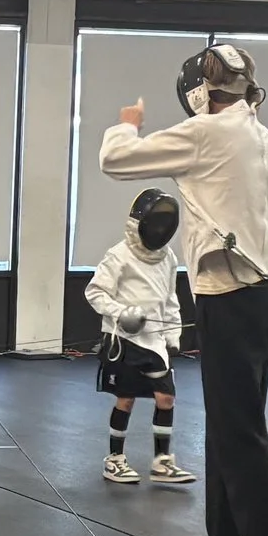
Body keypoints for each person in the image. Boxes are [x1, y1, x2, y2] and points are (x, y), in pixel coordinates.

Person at [100, 43, 268, 536]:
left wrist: (126, 125)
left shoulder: (207, 133)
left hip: (230, 299)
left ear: (199, 91)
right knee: (227, 428)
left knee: (240, 434)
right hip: (256, 300)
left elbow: (115, 161)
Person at [84, 189, 194, 485]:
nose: (159, 229)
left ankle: (162, 462)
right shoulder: (119, 255)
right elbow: (95, 292)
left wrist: (173, 333)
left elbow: (170, 298)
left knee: (166, 398)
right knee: (126, 400)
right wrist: (121, 313)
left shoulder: (168, 257)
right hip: (124, 340)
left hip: (155, 341)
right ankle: (115, 460)